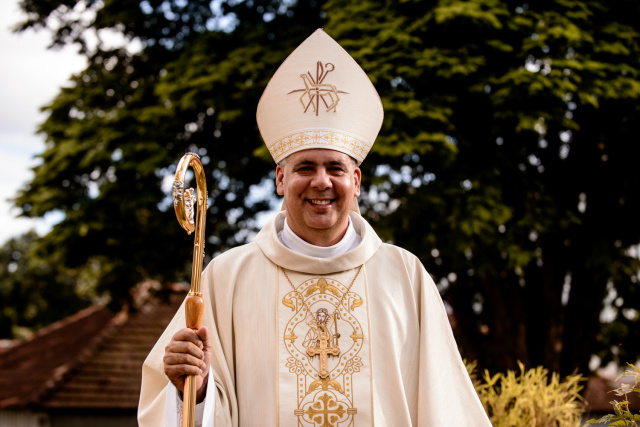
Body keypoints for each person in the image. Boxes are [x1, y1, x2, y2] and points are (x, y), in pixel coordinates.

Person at [138, 29, 492, 427]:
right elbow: (185, 404)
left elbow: (444, 403)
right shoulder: (227, 277)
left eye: (335, 168)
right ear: (279, 179)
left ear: (356, 182)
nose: (321, 182)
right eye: (305, 167)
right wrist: (196, 390)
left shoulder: (404, 275)